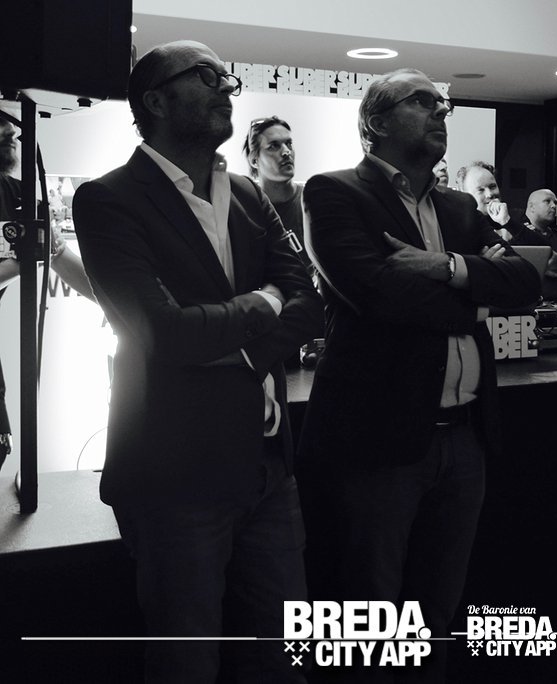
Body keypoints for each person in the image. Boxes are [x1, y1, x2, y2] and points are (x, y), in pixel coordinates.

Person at [71, 40, 321, 683]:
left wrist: (239, 342)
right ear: (155, 100)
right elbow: (165, 333)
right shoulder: (108, 199)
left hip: (268, 468)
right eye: (206, 76)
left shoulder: (247, 193)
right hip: (175, 477)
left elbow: (308, 303)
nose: (226, 88)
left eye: (226, 78)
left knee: (283, 658)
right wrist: (265, 303)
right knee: (186, 662)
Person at [297, 67, 539, 683]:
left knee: (438, 611)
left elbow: (525, 283)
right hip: (380, 440)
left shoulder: (459, 207)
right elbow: (376, 293)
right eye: (422, 101)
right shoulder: (334, 192)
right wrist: (476, 294)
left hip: (466, 436)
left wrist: (444, 267)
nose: (440, 112)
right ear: (376, 122)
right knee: (369, 613)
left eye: (443, 104)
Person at [1, 117, 95, 470]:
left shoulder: (18, 195)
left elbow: (60, 256)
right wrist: (22, 264)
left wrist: (121, 301)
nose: (10, 131)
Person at [242, 115, 312, 271]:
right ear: (254, 160)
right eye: (274, 146)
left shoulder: (313, 199)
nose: (286, 152)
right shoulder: (244, 210)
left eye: (289, 144)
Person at [511, 187, 557, 302]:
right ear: (532, 206)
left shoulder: (555, 235)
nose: (554, 206)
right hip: (531, 304)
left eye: (555, 202)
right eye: (547, 201)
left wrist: (549, 271)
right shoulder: (518, 233)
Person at [457, 160, 523, 241]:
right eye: (481, 190)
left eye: (492, 187)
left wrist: (508, 222)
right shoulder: (459, 225)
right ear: (465, 194)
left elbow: (537, 246)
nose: (490, 194)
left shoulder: (517, 217)